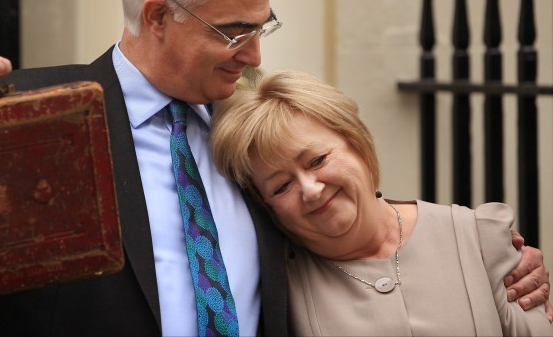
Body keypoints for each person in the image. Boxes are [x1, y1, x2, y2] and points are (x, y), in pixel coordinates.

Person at [0, 0, 548, 336]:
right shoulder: (28, 117)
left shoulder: (249, 124)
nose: (254, 51)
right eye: (232, 30)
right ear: (157, 16)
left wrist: (478, 250)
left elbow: (328, 203)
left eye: (261, 24)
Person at [210, 69, 553, 336]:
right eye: (282, 185)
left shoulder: (479, 238)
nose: (310, 189)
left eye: (316, 161)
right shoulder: (276, 284)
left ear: (356, 143)